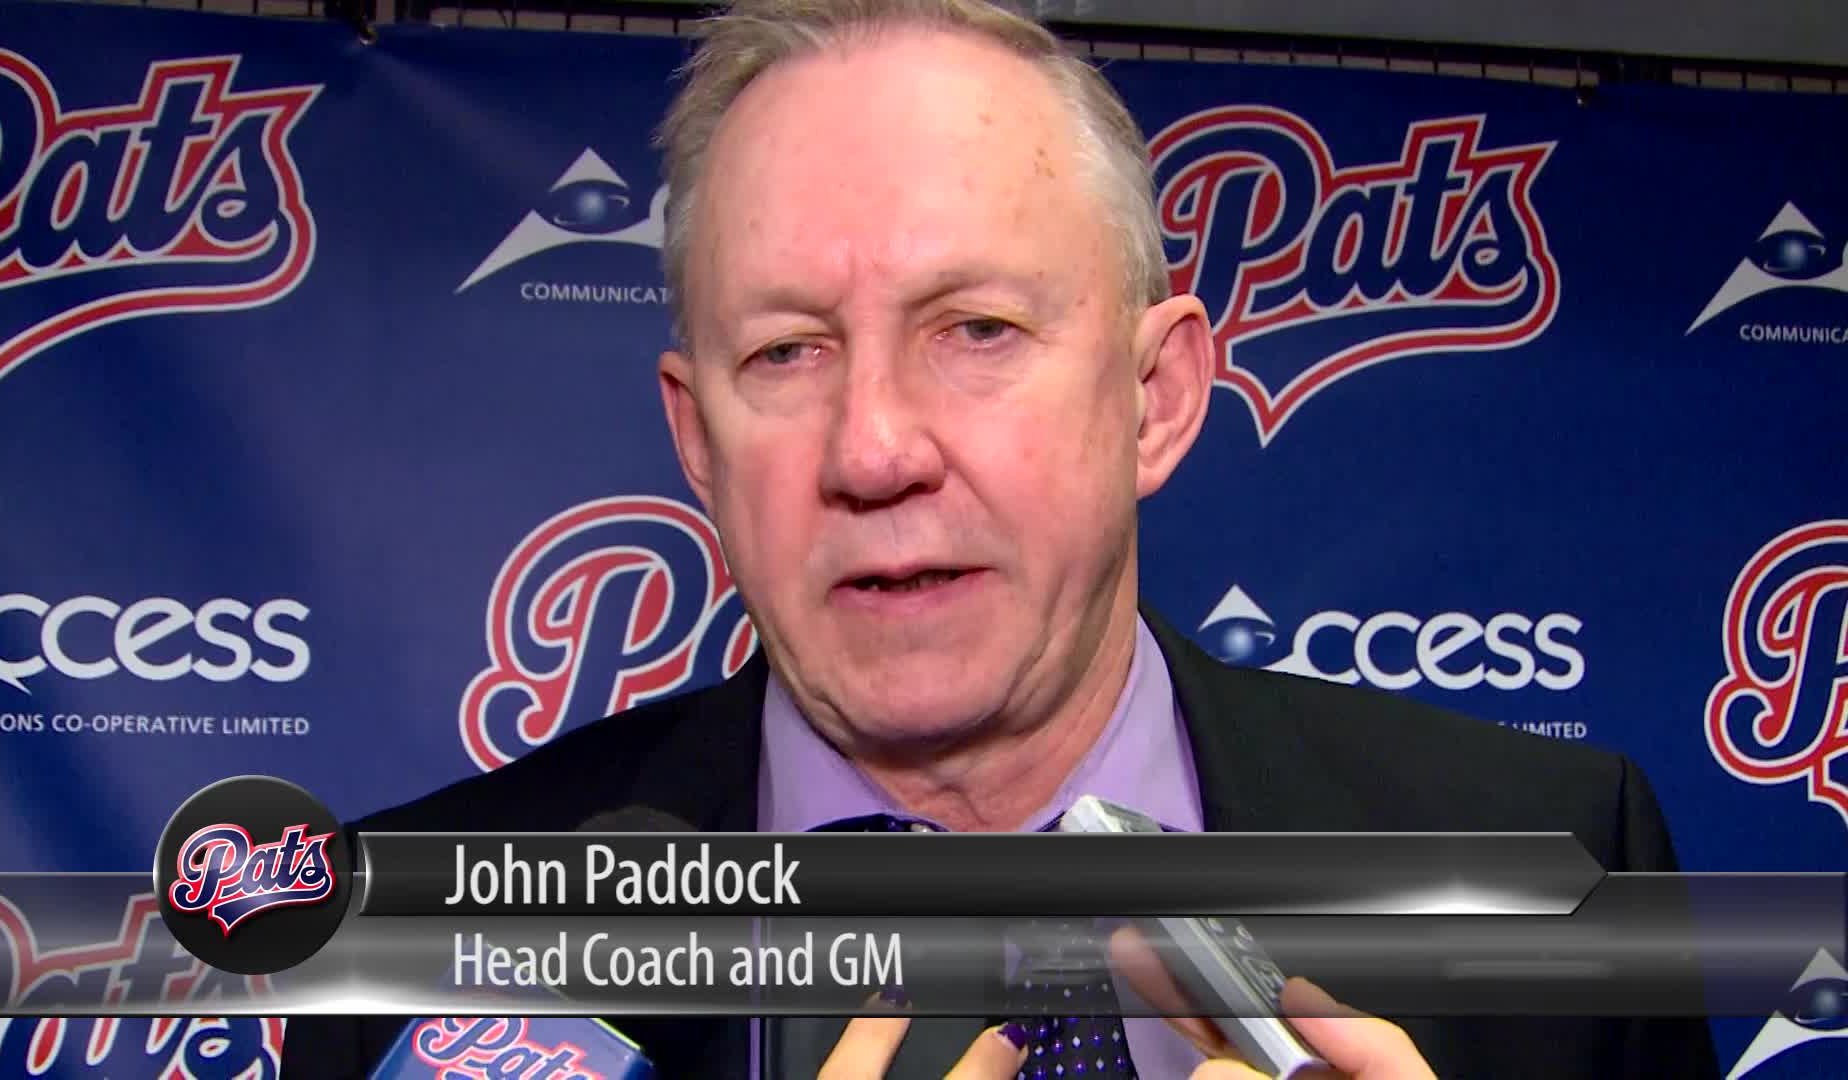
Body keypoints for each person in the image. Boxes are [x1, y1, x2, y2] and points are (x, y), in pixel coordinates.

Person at [283, 1, 1717, 1076]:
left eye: (976, 330)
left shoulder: (1552, 865)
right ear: (699, 441)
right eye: (786, 352)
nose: (873, 450)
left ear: (1156, 398)